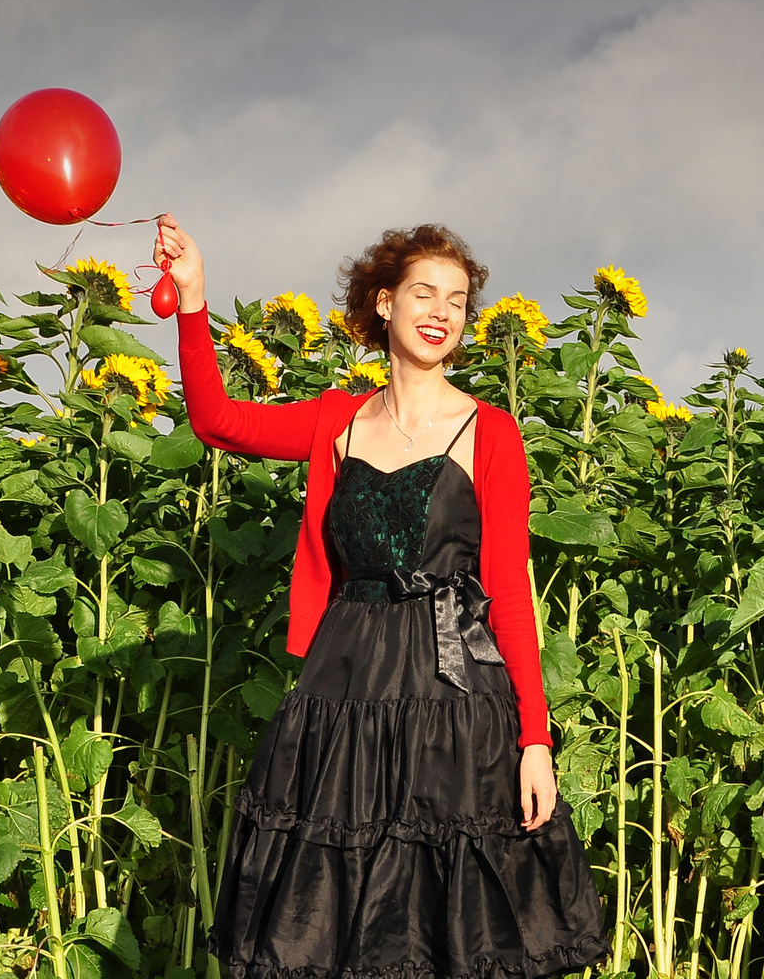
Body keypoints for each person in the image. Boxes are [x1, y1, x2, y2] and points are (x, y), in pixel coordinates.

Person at [154, 214, 612, 978]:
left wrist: (536, 740)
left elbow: (507, 590)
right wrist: (194, 299)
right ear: (384, 302)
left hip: (453, 694)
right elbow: (218, 422)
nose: (441, 311)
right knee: (330, 918)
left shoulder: (490, 431)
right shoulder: (337, 420)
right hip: (345, 688)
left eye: (457, 300)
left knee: (448, 921)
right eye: (423, 293)